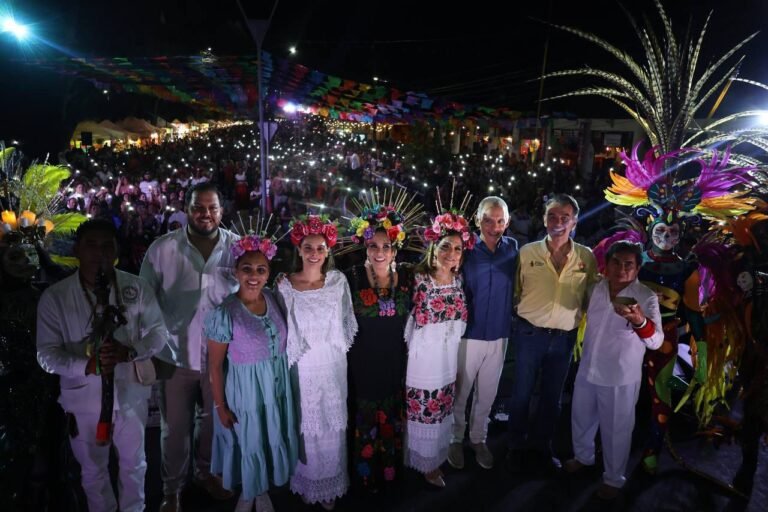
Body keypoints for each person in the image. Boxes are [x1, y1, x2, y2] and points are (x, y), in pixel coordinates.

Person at [36, 219, 167, 512]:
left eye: (107, 246)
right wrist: (86, 365)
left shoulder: (136, 287)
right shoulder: (56, 297)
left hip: (130, 394)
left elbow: (159, 333)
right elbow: (46, 355)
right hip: (83, 400)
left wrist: (131, 351)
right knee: (93, 471)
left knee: (135, 465)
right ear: (77, 250)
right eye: (91, 245)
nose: (100, 253)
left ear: (117, 251)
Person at [140, 182, 239, 512]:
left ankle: (206, 473)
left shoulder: (237, 248)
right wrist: (152, 345)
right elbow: (144, 300)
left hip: (221, 359)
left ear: (221, 211)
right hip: (174, 355)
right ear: (186, 209)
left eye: (212, 208)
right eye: (198, 207)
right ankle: (172, 489)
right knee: (174, 429)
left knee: (214, 424)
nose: (205, 214)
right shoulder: (162, 249)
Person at [205, 233, 299, 512]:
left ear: (268, 273)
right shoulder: (225, 313)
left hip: (276, 387)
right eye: (247, 269)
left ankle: (262, 488)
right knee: (250, 441)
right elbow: (214, 366)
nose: (254, 276)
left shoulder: (272, 298)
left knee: (269, 437)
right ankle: (249, 492)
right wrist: (220, 406)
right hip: (246, 393)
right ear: (236, 271)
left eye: (261, 270)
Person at [505, 193, 598, 474]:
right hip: (529, 335)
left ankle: (542, 446)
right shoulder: (527, 253)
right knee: (521, 393)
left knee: (551, 397)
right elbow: (515, 290)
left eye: (565, 217)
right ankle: (515, 445)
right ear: (544, 220)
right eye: (552, 216)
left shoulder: (586, 256)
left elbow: (592, 296)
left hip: (564, 339)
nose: (558, 222)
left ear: (574, 222)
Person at [565, 241, 663, 500]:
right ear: (606, 265)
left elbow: (656, 341)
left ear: (638, 268)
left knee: (616, 430)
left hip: (620, 376)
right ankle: (583, 457)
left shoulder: (646, 297)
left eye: (628, 264)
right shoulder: (596, 288)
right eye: (615, 262)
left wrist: (639, 321)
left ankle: (614, 478)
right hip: (588, 368)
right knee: (581, 417)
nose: (621, 269)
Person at [276, 214, 357, 510]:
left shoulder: (337, 282)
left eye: (320, 248)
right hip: (303, 366)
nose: (314, 253)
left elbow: (346, 323)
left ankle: (332, 482)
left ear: (328, 250)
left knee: (333, 424)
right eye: (308, 247)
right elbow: (282, 331)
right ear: (298, 249)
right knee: (306, 424)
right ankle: (308, 479)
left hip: (333, 364)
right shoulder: (285, 286)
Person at [343, 197, 418, 492]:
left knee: (390, 416)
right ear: (365, 246)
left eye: (386, 246)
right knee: (363, 419)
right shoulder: (351, 278)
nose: (379, 252)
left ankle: (389, 472)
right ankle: (364, 477)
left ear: (395, 249)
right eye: (373, 246)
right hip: (362, 366)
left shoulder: (408, 277)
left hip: (393, 363)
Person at [404, 211, 472, 488]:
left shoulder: (458, 280)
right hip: (424, 359)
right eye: (446, 246)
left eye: (457, 248)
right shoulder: (419, 278)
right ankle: (425, 462)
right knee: (424, 409)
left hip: (447, 357)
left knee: (442, 406)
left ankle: (435, 457)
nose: (451, 254)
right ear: (433, 247)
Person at [449, 196, 517, 471]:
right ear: (477, 219)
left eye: (500, 221)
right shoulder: (465, 249)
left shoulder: (512, 248)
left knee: (487, 393)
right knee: (460, 392)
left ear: (507, 222)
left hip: (500, 334)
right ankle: (454, 438)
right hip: (470, 332)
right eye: (488, 220)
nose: (494, 226)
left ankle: (478, 438)